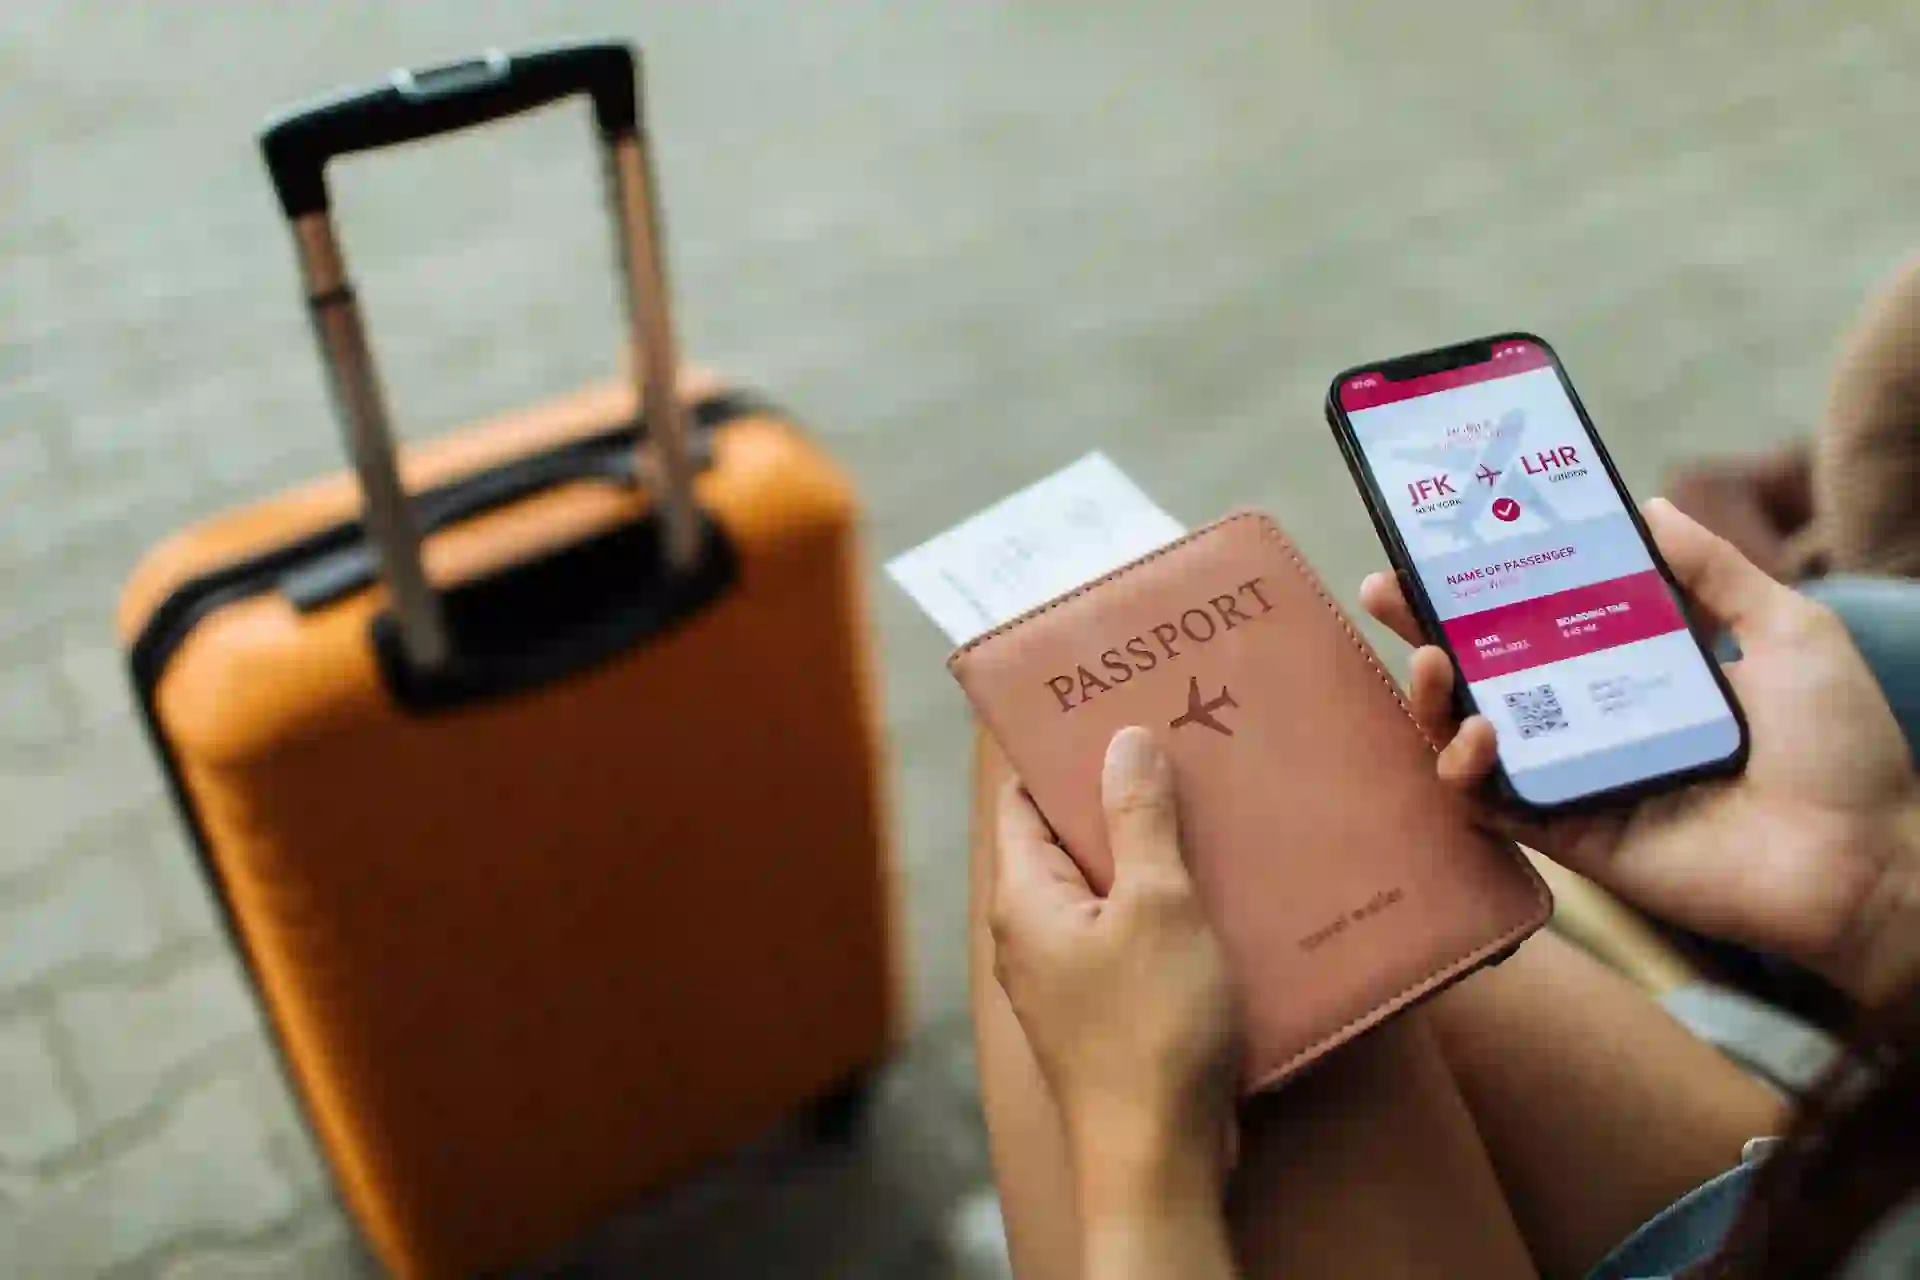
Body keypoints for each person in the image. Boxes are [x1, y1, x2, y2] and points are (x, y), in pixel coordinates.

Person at [972, 498, 1919, 1278]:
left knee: (1052, 736)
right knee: (1088, 681)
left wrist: (1136, 1156)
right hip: (1847, 1190)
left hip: (1845, 1196)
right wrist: (1880, 898)